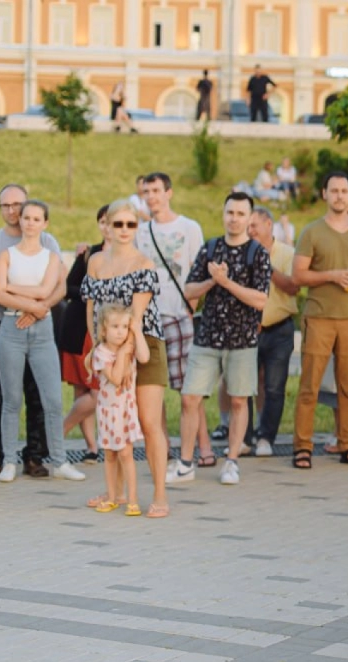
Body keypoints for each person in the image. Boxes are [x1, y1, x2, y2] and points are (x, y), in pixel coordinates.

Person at [173, 192, 271, 486]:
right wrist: (212, 281)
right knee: (190, 398)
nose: (234, 218)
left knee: (239, 401)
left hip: (242, 340)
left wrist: (227, 282)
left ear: (249, 218)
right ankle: (186, 463)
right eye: (230, 212)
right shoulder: (211, 248)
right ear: (223, 213)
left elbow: (260, 300)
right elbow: (189, 291)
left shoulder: (258, 253)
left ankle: (231, 461)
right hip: (208, 338)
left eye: (241, 214)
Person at [84, 200, 170, 517]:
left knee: (148, 422)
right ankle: (115, 492)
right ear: (106, 224)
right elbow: (91, 309)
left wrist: (123, 356)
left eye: (130, 225)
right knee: (113, 417)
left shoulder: (144, 264)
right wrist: (98, 350)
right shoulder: (95, 262)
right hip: (108, 345)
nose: (123, 230)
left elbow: (136, 315)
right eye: (117, 224)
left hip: (143, 344)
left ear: (137, 228)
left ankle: (160, 495)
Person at [0, 200, 84, 483]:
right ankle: (9, 462)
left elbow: (48, 289)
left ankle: (59, 461)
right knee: (11, 400)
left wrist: (12, 288)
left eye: (36, 219)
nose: (30, 223)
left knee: (52, 400)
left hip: (42, 332)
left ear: (45, 223)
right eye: (26, 218)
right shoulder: (6, 254)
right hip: (10, 329)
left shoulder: (51, 256)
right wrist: (33, 306)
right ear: (20, 222)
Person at [290, 171, 348, 470]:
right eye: (334, 190)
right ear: (324, 194)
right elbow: (298, 276)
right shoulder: (311, 232)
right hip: (318, 317)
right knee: (310, 386)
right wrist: (332, 276)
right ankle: (302, 446)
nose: (340, 196)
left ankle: (347, 444)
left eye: (344, 191)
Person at [135, 172, 212, 467]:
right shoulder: (142, 232)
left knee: (188, 387)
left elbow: (198, 270)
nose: (151, 196)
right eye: (147, 191)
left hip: (181, 315)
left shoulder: (189, 227)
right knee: (154, 386)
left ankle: (201, 446)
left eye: (156, 190)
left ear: (169, 192)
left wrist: (190, 307)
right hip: (152, 317)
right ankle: (162, 445)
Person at [88, 303, 149, 516]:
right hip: (108, 412)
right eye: (115, 326)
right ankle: (113, 497)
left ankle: (132, 499)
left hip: (125, 410)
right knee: (110, 455)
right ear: (104, 329)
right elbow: (114, 378)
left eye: (124, 326)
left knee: (126, 453)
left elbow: (145, 357)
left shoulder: (129, 347)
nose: (120, 331)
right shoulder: (101, 353)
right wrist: (122, 354)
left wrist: (136, 332)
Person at [248, 206, 298, 457]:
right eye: (248, 227)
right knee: (244, 385)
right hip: (248, 329)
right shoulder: (242, 252)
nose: (250, 231)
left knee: (275, 387)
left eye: (254, 225)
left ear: (269, 225)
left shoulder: (288, 253)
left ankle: (266, 437)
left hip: (280, 329)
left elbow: (292, 287)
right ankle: (245, 437)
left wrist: (265, 264)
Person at [61, 205, 106, 464]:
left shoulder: (128, 257)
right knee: (83, 390)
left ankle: (57, 434)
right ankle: (91, 448)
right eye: (102, 221)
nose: (107, 226)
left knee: (97, 393)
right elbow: (68, 287)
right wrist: (91, 292)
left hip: (110, 333)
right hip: (80, 329)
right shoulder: (88, 253)